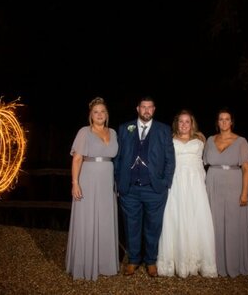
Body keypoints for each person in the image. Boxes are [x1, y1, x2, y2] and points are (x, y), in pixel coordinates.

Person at [115, 96, 175, 277]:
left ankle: (151, 261)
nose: (146, 110)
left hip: (154, 189)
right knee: (131, 225)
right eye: (143, 107)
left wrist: (165, 183)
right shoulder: (125, 128)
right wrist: (119, 181)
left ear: (154, 110)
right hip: (130, 188)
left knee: (153, 226)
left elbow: (170, 160)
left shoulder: (164, 130)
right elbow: (118, 158)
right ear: (138, 109)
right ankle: (133, 260)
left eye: (150, 107)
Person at [157, 110, 217, 278]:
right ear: (177, 124)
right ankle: (175, 262)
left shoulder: (200, 140)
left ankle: (198, 261)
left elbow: (205, 162)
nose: (184, 124)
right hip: (176, 182)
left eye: (187, 121)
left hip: (195, 185)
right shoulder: (170, 140)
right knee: (175, 217)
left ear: (192, 124)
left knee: (196, 218)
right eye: (181, 121)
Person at [65, 97, 119, 280]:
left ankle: (104, 263)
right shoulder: (84, 132)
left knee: (104, 219)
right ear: (91, 115)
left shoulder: (113, 132)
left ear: (107, 114)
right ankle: (85, 264)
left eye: (102, 111)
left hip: (107, 181)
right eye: (96, 112)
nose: (99, 115)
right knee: (87, 219)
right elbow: (77, 159)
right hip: (88, 179)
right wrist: (75, 182)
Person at [204, 108, 248, 277]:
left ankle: (234, 264)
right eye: (221, 119)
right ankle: (215, 265)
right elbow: (202, 165)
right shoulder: (210, 140)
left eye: (227, 119)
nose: (224, 122)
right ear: (217, 122)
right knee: (214, 224)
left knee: (233, 225)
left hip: (234, 184)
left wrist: (244, 193)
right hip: (213, 184)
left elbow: (246, 170)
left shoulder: (241, 141)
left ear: (231, 122)